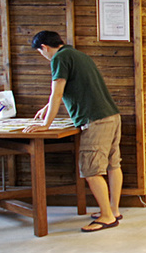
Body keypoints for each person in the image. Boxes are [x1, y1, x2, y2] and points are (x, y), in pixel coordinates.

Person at [25, 31, 123, 233]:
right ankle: (113, 209)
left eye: (39, 52)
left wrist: (45, 124)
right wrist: (47, 108)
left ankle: (107, 216)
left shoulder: (59, 58)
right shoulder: (77, 55)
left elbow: (57, 91)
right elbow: (68, 89)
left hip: (94, 119)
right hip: (111, 115)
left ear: (44, 47)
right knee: (113, 164)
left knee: (91, 169)